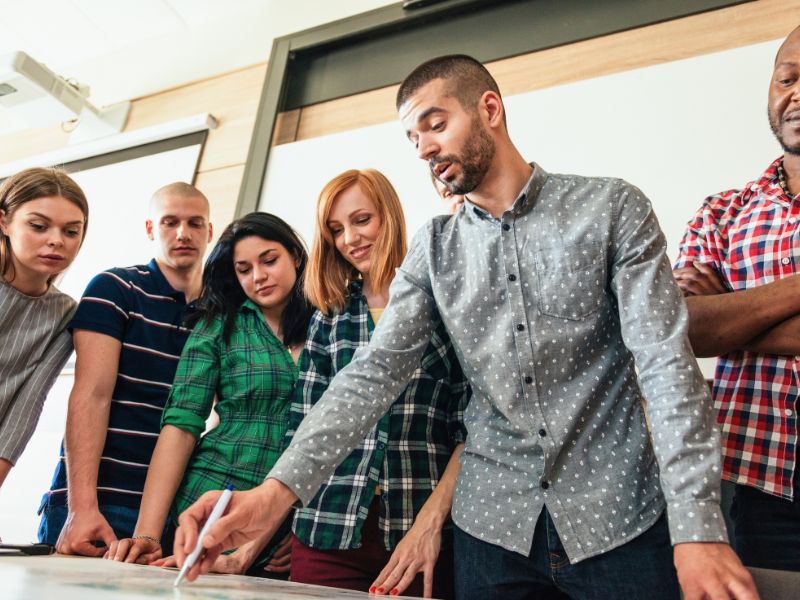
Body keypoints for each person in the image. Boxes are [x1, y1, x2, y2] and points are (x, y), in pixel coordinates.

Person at [174, 55, 758, 600]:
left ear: (489, 109)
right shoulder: (432, 248)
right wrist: (274, 496)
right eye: (413, 137)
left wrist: (698, 527)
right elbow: (372, 375)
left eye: (435, 123)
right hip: (492, 533)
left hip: (620, 522)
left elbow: (665, 364)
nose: (424, 147)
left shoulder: (610, 209)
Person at [287, 169, 468, 598]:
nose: (349, 238)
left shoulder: (446, 304)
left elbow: (469, 426)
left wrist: (431, 523)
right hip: (327, 530)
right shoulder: (328, 318)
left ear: (389, 216)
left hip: (418, 532)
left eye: (361, 220)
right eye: (336, 229)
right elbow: (303, 430)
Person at [102, 212, 313, 576]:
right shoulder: (218, 325)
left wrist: (305, 528)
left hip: (285, 522)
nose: (258, 277)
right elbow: (181, 425)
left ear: (295, 255)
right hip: (210, 501)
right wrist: (148, 535)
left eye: (269, 260)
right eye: (243, 269)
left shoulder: (331, 322)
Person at [673, 26, 800, 572]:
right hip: (762, 485)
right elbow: (687, 327)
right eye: (787, 78)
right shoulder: (721, 212)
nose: (796, 94)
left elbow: (717, 325)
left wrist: (736, 311)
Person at [38, 182, 213, 556]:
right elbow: (91, 395)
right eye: (170, 222)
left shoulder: (220, 314)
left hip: (171, 511)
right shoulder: (116, 287)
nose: (183, 233)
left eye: (195, 223)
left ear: (209, 231)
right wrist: (81, 507)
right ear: (151, 230)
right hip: (98, 503)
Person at [0, 167, 88, 491]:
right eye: (38, 226)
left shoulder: (65, 313)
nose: (56, 241)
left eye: (71, 231)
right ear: (4, 221)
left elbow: (28, 404)